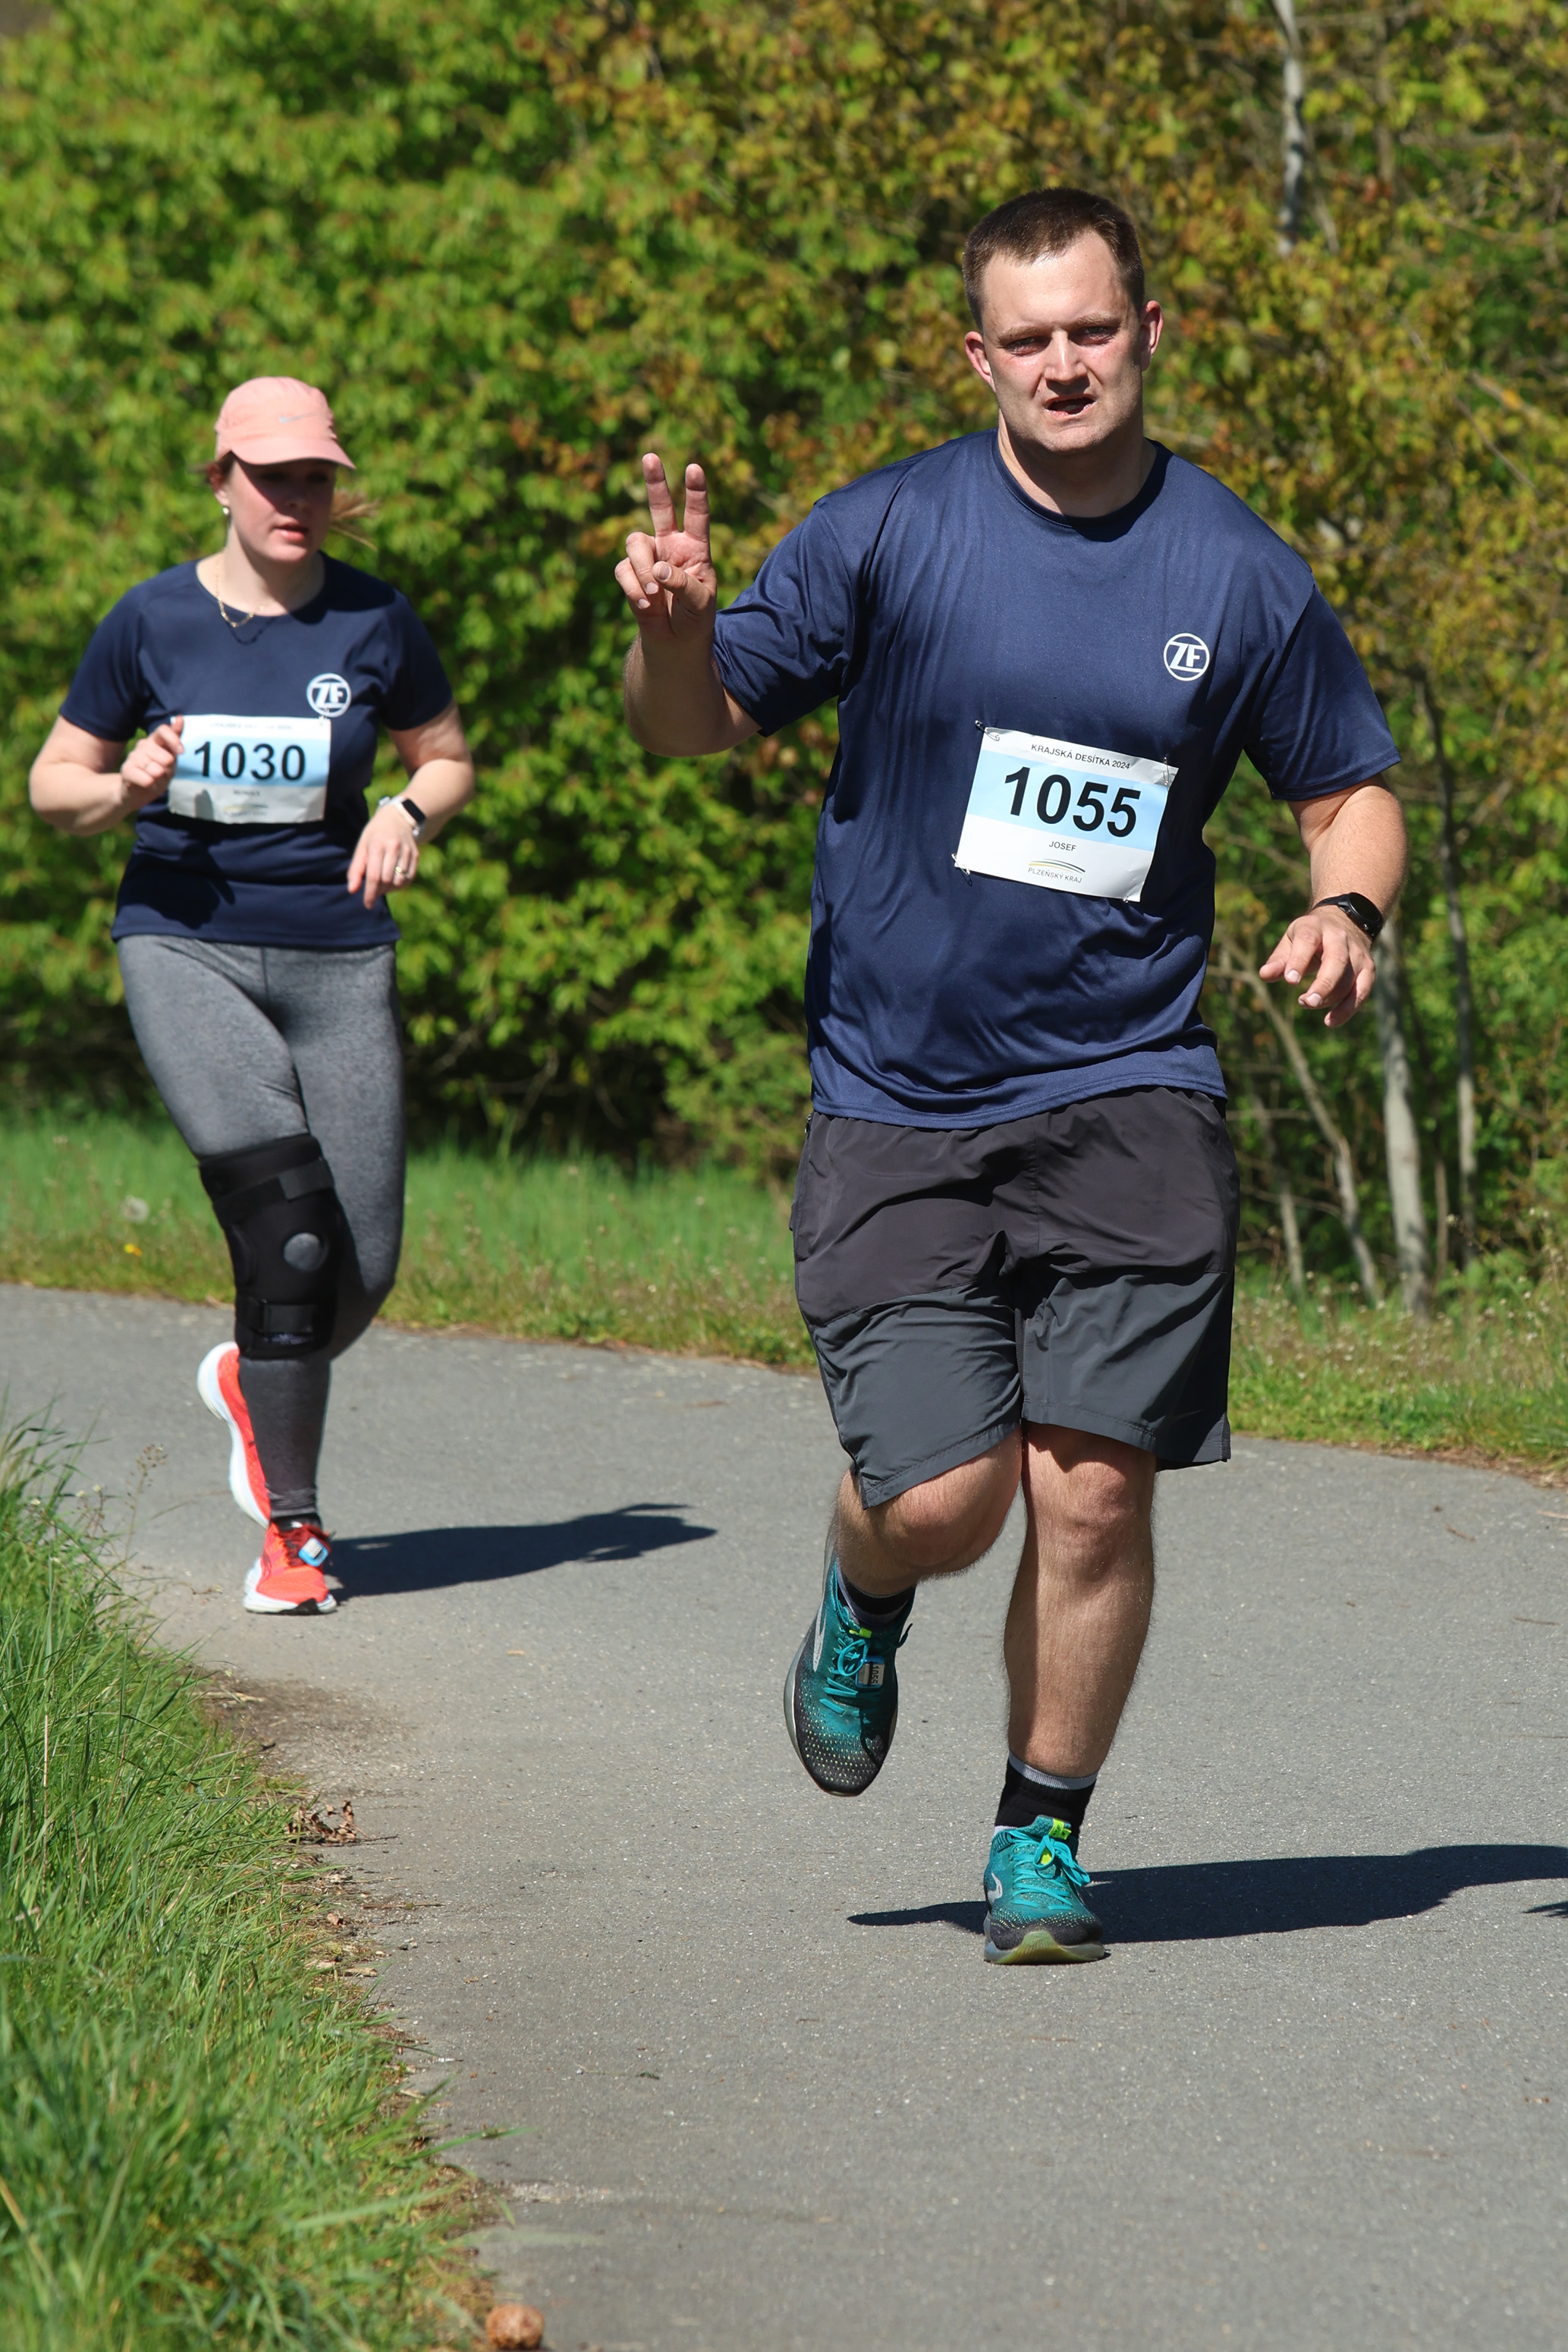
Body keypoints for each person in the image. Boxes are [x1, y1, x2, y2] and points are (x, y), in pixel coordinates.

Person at [614, 188, 1406, 1962]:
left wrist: (1344, 902)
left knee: (1094, 1483)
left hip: (1130, 1082)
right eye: (1026, 337)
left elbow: (1343, 785)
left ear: (1148, 331)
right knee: (944, 1500)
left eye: (1090, 328)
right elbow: (693, 722)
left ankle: (1038, 1836)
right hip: (896, 1093)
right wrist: (673, 629)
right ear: (975, 354)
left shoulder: (1235, 571)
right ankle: (861, 1582)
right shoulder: (888, 530)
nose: (1062, 363)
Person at [31, 376, 474, 1615]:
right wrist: (124, 787)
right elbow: (52, 784)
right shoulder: (150, 620)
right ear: (221, 479)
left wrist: (405, 810)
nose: (297, 499)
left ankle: (251, 1375)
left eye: (315, 478)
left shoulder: (376, 619)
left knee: (361, 1267)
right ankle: (293, 1531)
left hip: (341, 955)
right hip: (187, 948)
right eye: (273, 477)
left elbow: (447, 758)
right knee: (288, 1234)